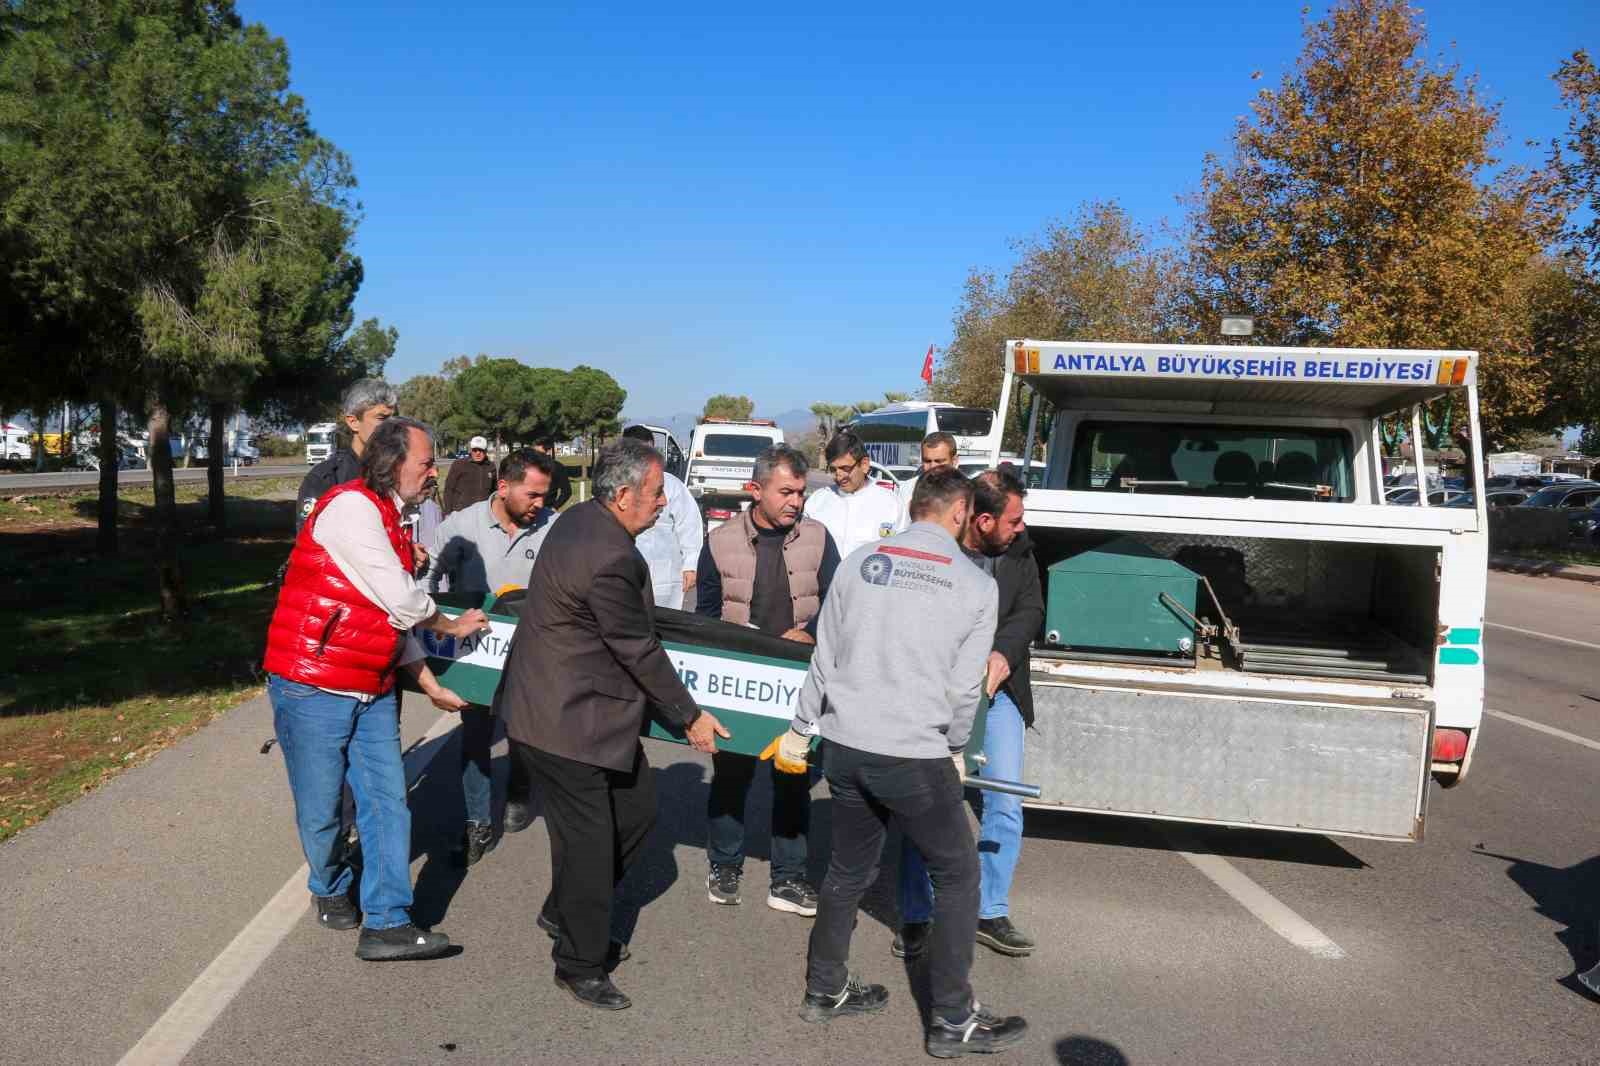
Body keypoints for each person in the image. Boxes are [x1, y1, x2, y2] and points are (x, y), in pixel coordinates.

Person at [779, 467, 1027, 1056]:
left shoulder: (861, 562)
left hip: (845, 746)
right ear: (961, 513)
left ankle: (825, 989)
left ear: (914, 506)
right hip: (915, 754)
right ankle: (951, 1019)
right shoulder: (974, 585)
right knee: (960, 877)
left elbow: (825, 654)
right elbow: (968, 689)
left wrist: (798, 728)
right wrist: (956, 749)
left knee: (846, 872)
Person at [499, 438, 727, 1011]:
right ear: (622, 495)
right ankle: (579, 961)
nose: (663, 505)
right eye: (655, 495)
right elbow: (638, 648)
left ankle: (565, 908)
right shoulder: (611, 557)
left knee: (638, 809)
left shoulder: (581, 519)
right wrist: (690, 716)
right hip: (565, 720)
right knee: (590, 843)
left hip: (578, 710)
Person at [264, 416, 490, 961]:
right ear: (392, 463)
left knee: (388, 802)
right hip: (311, 683)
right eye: (426, 461)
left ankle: (387, 920)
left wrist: (430, 685)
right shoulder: (350, 509)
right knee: (322, 810)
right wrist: (454, 626)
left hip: (371, 684)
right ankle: (329, 884)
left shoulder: (391, 517)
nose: (433, 472)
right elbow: (404, 602)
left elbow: (390, 622)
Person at [897, 469, 1044, 960]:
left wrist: (1002, 653)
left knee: (1004, 804)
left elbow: (1030, 610)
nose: (1021, 528)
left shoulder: (1020, 551)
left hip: (1000, 698)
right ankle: (917, 914)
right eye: (1013, 520)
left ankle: (989, 911)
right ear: (982, 520)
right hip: (937, 697)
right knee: (927, 802)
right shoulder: (940, 551)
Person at [695, 444, 839, 916]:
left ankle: (789, 880)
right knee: (732, 776)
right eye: (786, 492)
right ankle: (724, 865)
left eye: (801, 492)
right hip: (741, 679)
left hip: (801, 682)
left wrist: (811, 634)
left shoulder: (819, 537)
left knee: (794, 777)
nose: (796, 501)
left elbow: (840, 607)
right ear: (755, 491)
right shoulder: (718, 541)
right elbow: (705, 616)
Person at [428, 449, 562, 864]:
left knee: (524, 732)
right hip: (476, 653)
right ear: (503, 487)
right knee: (475, 736)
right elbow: (426, 576)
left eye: (545, 495)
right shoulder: (462, 525)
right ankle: (477, 820)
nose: (541, 504)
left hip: (532, 652)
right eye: (533, 495)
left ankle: (520, 787)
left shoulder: (553, 528)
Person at [296, 379, 397, 532]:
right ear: (353, 422)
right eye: (381, 418)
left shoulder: (398, 472)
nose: (392, 427)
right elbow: (309, 542)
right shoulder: (326, 478)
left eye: (393, 418)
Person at [621, 424, 703, 610]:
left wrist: (691, 565)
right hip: (623, 574)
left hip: (665, 579)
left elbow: (689, 525)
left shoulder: (672, 486)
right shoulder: (615, 484)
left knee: (664, 627)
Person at [803, 430, 907, 558]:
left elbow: (901, 553)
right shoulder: (817, 501)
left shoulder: (892, 504)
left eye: (845, 469)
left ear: (864, 465)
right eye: (833, 470)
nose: (839, 476)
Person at [899, 430, 961, 522]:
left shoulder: (967, 492)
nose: (933, 467)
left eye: (939, 461)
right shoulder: (907, 489)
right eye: (927, 461)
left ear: (955, 461)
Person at [442, 435, 497, 515]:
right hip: (461, 513)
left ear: (485, 451)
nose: (478, 453)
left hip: (483, 514)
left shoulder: (491, 466)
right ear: (471, 450)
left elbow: (494, 491)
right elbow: (449, 489)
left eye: (481, 450)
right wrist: (448, 512)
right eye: (475, 450)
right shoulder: (459, 464)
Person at [533, 439, 573, 511]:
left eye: (539, 452)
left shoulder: (557, 467)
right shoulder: (527, 466)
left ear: (548, 451)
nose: (535, 455)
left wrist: (554, 507)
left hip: (546, 510)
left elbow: (567, 491)